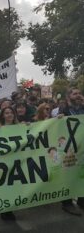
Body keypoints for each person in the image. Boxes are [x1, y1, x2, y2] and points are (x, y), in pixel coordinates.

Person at [59, 87, 84, 215]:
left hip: (83, 148)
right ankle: (67, 202)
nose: (78, 95)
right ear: (69, 97)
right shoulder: (64, 111)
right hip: (70, 149)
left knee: (82, 174)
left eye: (80, 93)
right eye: (75, 94)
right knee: (69, 175)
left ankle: (81, 199)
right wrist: (58, 119)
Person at [0, 107, 18, 221]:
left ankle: (10, 209)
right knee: (5, 187)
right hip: (3, 163)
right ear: (3, 116)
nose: (9, 115)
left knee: (13, 186)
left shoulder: (20, 127)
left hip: (16, 162)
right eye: (7, 113)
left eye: (11, 112)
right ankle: (5, 210)